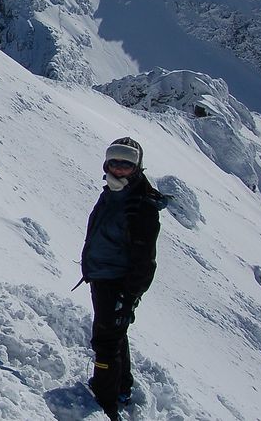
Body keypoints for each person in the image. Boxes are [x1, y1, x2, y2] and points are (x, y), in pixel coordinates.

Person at [79, 137, 167, 421]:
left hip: (117, 282)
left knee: (105, 341)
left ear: (137, 168)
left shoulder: (139, 205)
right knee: (116, 335)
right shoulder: (113, 193)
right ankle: (121, 388)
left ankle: (104, 401)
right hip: (102, 276)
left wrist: (128, 296)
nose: (118, 169)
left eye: (126, 164)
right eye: (114, 162)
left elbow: (145, 259)